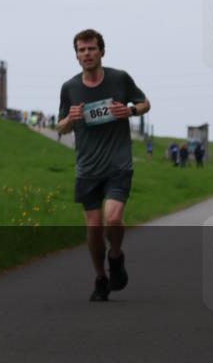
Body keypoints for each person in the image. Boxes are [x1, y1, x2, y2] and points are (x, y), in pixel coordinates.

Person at [57, 29, 150, 302]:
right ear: (76, 55)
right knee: (95, 228)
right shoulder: (70, 88)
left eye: (91, 49)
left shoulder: (119, 79)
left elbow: (145, 103)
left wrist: (130, 110)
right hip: (87, 169)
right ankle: (100, 277)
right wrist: (71, 118)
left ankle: (116, 256)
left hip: (118, 165)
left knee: (113, 218)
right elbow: (60, 126)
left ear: (101, 51)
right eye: (81, 50)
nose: (86, 54)